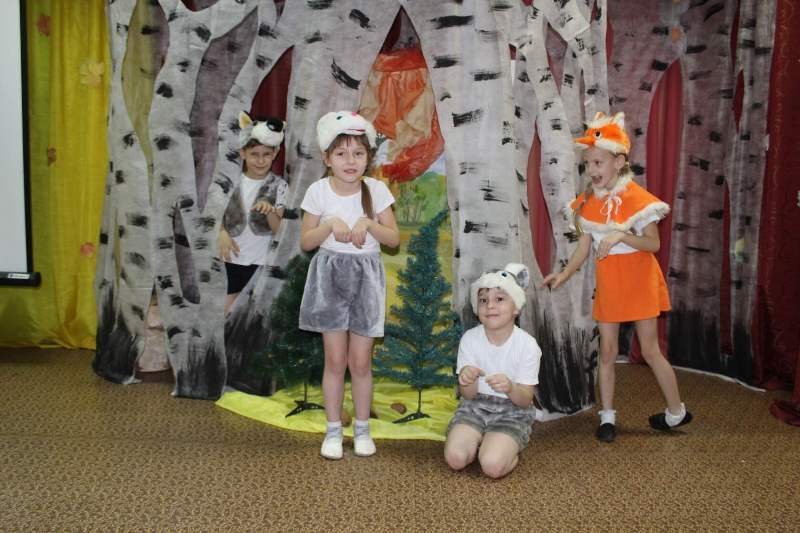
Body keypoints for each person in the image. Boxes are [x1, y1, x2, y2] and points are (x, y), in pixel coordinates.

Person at [542, 111, 692, 442]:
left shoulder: (637, 200)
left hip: (639, 280)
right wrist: (563, 274)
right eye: (588, 164)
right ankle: (607, 416)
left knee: (650, 350)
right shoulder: (587, 203)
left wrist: (622, 234)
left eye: (598, 163)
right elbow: (583, 248)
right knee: (607, 352)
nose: (592, 170)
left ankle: (676, 411)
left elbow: (653, 244)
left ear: (619, 162)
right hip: (610, 283)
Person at [298, 111, 400, 460]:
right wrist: (330, 226)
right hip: (329, 277)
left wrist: (369, 225)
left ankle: (362, 429)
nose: (350, 160)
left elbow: (394, 239)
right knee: (335, 360)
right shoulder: (318, 191)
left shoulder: (376, 190)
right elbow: (306, 242)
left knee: (360, 363)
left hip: (366, 278)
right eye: (341, 153)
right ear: (326, 158)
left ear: (368, 157)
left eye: (358, 153)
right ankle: (332, 431)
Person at [444, 264, 541, 479]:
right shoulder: (470, 339)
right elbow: (468, 395)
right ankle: (483, 441)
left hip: (512, 411)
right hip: (474, 407)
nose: (490, 306)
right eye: (483, 300)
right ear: (477, 308)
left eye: (499, 299)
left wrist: (510, 387)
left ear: (516, 307)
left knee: (492, 466)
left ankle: (505, 449)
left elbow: (525, 400)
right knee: (455, 459)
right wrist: (467, 379)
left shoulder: (527, 346)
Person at [218, 112, 288, 314]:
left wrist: (270, 211)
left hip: (260, 263)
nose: (260, 160)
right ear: (243, 153)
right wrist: (221, 232)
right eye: (254, 154)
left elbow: (279, 230)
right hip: (230, 260)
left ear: (275, 153)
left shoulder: (280, 186)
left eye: (266, 154)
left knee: (249, 316)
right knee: (226, 313)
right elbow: (213, 214)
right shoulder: (230, 181)